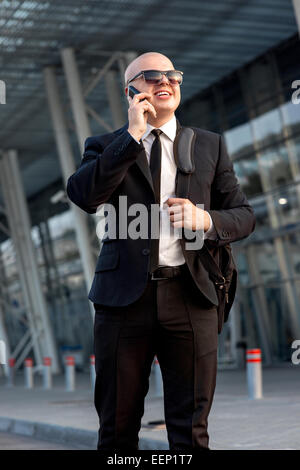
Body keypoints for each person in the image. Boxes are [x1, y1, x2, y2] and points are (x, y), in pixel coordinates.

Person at [66, 51, 256, 451]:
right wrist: (131, 137)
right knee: (116, 429)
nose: (164, 81)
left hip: (191, 296)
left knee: (190, 430)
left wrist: (205, 221)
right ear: (130, 91)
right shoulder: (104, 145)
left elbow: (243, 216)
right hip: (122, 304)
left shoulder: (209, 145)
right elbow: (84, 194)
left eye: (172, 75)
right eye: (151, 76)